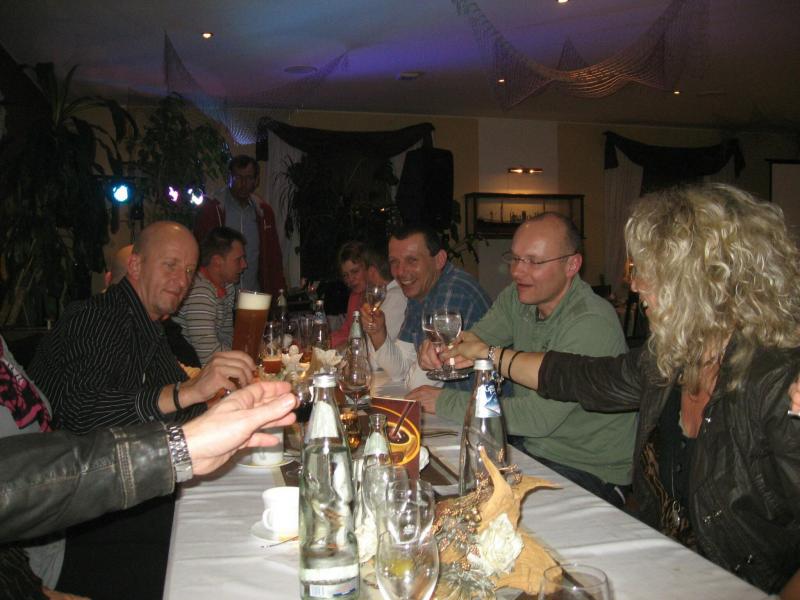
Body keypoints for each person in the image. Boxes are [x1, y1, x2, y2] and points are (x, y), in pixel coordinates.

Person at [444, 184, 800, 596]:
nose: (634, 284)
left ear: (704, 281)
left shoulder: (778, 384)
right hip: (666, 563)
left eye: (648, 271)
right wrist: (489, 353)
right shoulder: (673, 358)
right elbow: (579, 376)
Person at [28, 221, 257, 599]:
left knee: (234, 516)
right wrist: (187, 392)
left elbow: (182, 410)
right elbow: (82, 414)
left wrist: (235, 410)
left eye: (188, 270)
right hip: (68, 523)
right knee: (217, 547)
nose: (181, 280)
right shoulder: (96, 317)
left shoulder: (148, 328)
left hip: (112, 491)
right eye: (170, 265)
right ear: (135, 265)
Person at [416, 213, 635, 506]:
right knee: (438, 491)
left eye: (533, 261)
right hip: (532, 451)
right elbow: (473, 342)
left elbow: (537, 418)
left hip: (589, 471)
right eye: (516, 258)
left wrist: (443, 401)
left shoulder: (590, 322)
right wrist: (441, 351)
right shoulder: (517, 299)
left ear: (572, 265)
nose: (518, 271)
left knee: (479, 509)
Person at [1, 379, 296, 549]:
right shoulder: (93, 320)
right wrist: (180, 443)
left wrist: (184, 441)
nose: (181, 288)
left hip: (56, 531)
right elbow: (79, 415)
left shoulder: (157, 332)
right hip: (70, 540)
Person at [362, 224, 491, 390]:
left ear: (439, 260)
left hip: (481, 403)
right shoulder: (419, 294)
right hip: (450, 402)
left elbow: (419, 383)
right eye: (394, 262)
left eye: (412, 260)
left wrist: (411, 373)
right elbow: (398, 371)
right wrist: (378, 332)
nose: (400, 272)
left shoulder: (453, 291)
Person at [194, 154, 286, 297]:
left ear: (256, 180)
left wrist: (278, 294)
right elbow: (201, 254)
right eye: (238, 177)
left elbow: (274, 259)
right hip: (219, 297)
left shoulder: (264, 212)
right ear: (229, 177)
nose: (243, 183)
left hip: (254, 295)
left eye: (249, 178)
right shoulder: (212, 209)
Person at [173, 227, 247, 365]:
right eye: (238, 260)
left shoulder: (228, 287)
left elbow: (226, 337)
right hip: (191, 370)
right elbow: (207, 354)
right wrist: (248, 357)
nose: (244, 265)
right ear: (217, 261)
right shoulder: (199, 291)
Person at [360, 246, 407, 367]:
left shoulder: (395, 296)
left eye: (362, 271)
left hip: (388, 370)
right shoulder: (391, 295)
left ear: (372, 272)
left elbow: (374, 358)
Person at [330, 241, 370, 348]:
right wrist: (324, 341)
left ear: (368, 268)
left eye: (355, 271)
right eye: (345, 275)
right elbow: (346, 331)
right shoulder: (354, 297)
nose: (350, 279)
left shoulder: (379, 297)